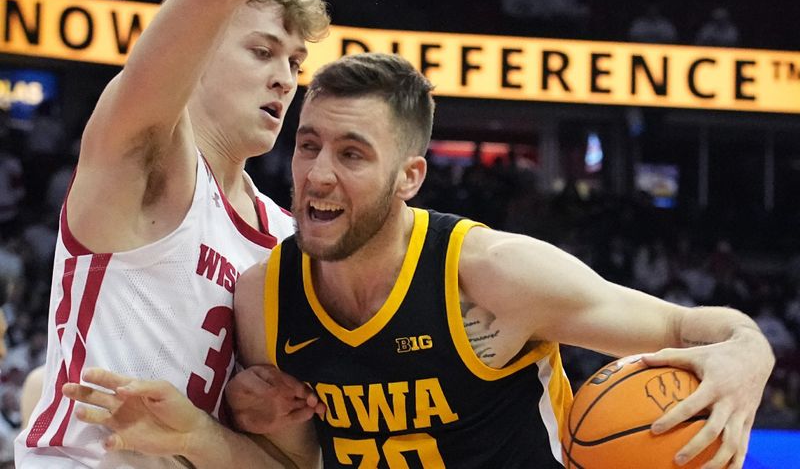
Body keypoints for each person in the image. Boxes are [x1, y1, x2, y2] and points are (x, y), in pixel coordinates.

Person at [66, 53, 773, 468]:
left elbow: (692, 330)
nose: (315, 174)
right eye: (309, 144)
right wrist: (203, 434)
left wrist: (748, 353)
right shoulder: (265, 300)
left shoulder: (494, 274)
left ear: (410, 177)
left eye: (351, 155)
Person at [17, 0, 504, 467]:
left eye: (296, 62)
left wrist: (236, 418)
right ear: (192, 54)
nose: (285, 77)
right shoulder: (142, 161)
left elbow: (287, 464)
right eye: (262, 50)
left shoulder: (287, 241)